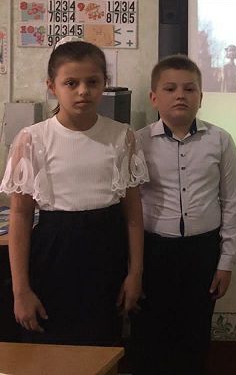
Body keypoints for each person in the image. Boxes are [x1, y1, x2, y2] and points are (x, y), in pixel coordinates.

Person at [0, 40, 147, 346]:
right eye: (71, 83)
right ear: (52, 86)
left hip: (106, 255)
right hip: (53, 255)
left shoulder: (122, 136)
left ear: (105, 84)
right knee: (50, 348)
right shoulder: (32, 139)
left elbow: (133, 214)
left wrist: (135, 273)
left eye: (92, 82)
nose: (83, 91)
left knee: (101, 345)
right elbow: (21, 215)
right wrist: (20, 290)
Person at [131, 55, 236, 375]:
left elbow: (233, 202)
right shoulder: (137, 142)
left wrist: (226, 262)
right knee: (149, 338)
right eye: (170, 89)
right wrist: (132, 267)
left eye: (189, 89)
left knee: (193, 339)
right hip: (153, 253)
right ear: (154, 97)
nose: (180, 95)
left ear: (201, 97)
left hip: (202, 254)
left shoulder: (220, 140)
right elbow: (128, 207)